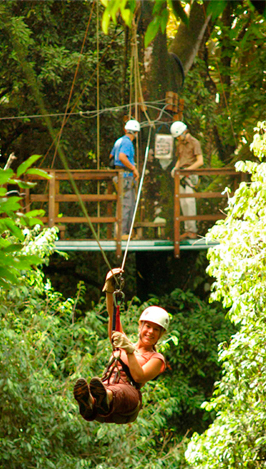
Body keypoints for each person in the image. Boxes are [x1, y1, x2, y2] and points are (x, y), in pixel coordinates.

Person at [73, 268, 168, 424]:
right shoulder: (122, 343)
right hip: (106, 394)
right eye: (147, 327)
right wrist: (109, 291)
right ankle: (90, 402)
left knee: (119, 390)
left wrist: (130, 350)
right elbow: (112, 314)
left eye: (156, 329)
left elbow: (138, 376)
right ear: (140, 327)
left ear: (160, 334)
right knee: (100, 387)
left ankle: (104, 397)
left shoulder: (157, 359)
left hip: (128, 400)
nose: (150, 332)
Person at [170, 121, 203, 239]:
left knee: (190, 201)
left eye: (178, 136)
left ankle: (193, 230)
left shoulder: (194, 142)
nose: (178, 139)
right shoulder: (180, 144)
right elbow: (180, 159)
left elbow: (200, 161)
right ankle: (187, 229)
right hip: (182, 175)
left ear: (184, 132)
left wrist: (187, 171)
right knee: (183, 202)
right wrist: (176, 168)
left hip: (190, 174)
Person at [110, 120, 141, 240]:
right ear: (135, 133)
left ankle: (123, 232)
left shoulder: (119, 141)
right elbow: (122, 157)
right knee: (127, 205)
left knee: (125, 204)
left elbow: (111, 157)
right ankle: (122, 233)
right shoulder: (127, 143)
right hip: (125, 176)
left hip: (119, 176)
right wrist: (133, 168)